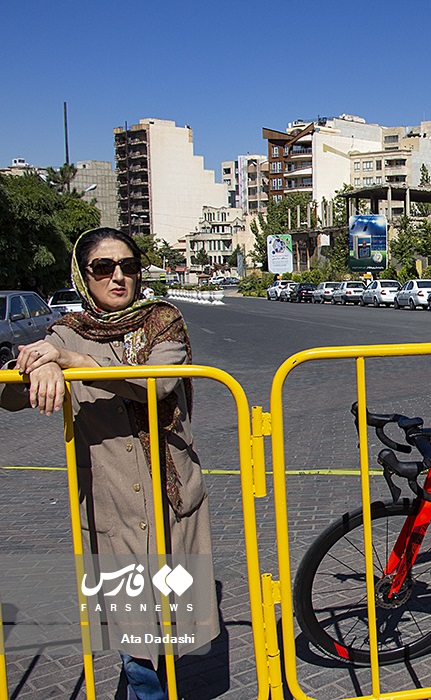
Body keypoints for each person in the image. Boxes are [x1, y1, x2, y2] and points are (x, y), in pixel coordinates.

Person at [1, 227, 219, 699]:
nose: (118, 277)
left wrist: (71, 360)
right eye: (104, 268)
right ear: (84, 276)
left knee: (173, 622)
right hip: (111, 501)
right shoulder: (64, 331)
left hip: (171, 492)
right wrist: (39, 364)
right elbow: (9, 394)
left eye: (128, 266)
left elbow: (156, 385)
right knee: (135, 635)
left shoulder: (163, 321)